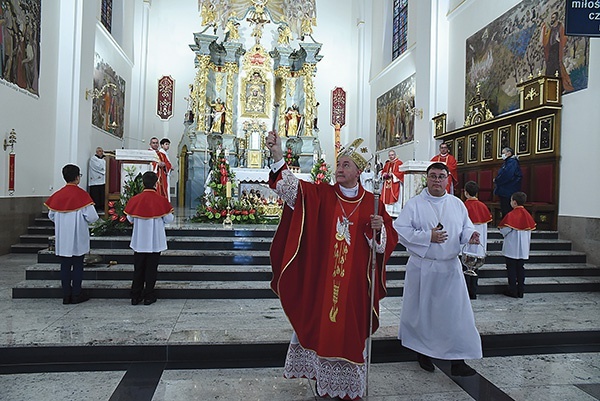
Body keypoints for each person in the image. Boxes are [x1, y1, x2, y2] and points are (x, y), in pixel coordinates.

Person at [266, 131, 397, 400]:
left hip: (355, 286)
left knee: (350, 331)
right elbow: (292, 189)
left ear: (358, 171)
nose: (339, 169)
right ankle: (323, 379)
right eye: (338, 164)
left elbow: (385, 242)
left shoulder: (373, 203)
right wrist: (277, 155)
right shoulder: (322, 195)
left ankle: (348, 384)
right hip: (324, 281)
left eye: (346, 164)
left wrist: (378, 231)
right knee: (322, 327)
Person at [393, 162, 482, 377]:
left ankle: (457, 360)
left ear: (447, 179)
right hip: (423, 267)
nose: (437, 180)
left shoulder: (456, 204)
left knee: (455, 314)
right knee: (424, 313)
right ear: (427, 178)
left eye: (441, 176)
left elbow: (465, 226)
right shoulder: (415, 204)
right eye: (433, 176)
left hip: (450, 267)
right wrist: (427, 236)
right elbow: (400, 230)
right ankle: (423, 353)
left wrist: (469, 235)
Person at [44, 164, 99, 304]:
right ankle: (76, 294)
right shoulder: (82, 195)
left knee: (65, 265)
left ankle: (66, 295)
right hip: (78, 236)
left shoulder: (57, 195)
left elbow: (51, 215)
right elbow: (92, 217)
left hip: (63, 236)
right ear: (77, 178)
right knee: (78, 265)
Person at [124, 171, 175, 306]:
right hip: (154, 241)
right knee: (151, 269)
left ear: (142, 183)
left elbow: (129, 218)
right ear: (156, 183)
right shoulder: (161, 200)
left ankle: (135, 296)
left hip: (139, 240)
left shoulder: (135, 200)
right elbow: (169, 218)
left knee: (138, 268)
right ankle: (148, 296)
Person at [498, 191, 536, 298]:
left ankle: (513, 290)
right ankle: (521, 290)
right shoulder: (527, 215)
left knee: (511, 269)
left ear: (514, 202)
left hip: (512, 247)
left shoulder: (511, 215)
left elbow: (505, 230)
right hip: (523, 247)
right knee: (521, 268)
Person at [463, 180, 492, 300]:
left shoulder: (463, 206)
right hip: (479, 243)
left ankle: (465, 293)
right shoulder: (483, 206)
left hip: (466, 244)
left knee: (465, 269)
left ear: (465, 192)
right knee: (475, 268)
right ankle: (473, 293)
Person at [540, 11, 574, 92]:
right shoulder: (551, 29)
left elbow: (564, 38)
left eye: (553, 17)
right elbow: (545, 41)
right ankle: (549, 88)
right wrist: (543, 29)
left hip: (557, 50)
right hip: (551, 50)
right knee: (549, 68)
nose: (551, 19)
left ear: (556, 18)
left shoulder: (560, 26)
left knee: (557, 67)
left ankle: (560, 88)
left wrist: (559, 40)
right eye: (551, 17)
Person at [494, 147, 522, 218]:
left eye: (503, 153)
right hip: (506, 189)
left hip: (509, 189)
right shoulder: (507, 162)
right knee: (504, 208)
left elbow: (507, 175)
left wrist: (497, 180)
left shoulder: (512, 162)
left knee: (507, 209)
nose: (502, 155)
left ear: (509, 153)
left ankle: (507, 225)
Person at [380, 149, 404, 217]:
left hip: (394, 183)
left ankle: (395, 212)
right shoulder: (387, 164)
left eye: (392, 155)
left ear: (395, 155)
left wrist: (393, 174)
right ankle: (387, 212)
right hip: (387, 183)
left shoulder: (399, 163)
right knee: (386, 197)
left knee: (394, 197)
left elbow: (401, 173)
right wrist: (384, 174)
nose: (391, 156)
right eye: (390, 155)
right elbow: (383, 172)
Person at [88, 147, 106, 211]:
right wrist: (105, 169)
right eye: (100, 151)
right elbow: (98, 167)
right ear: (96, 152)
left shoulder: (104, 159)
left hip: (102, 180)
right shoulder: (93, 159)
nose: (101, 152)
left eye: (102, 151)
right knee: (96, 195)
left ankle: (102, 206)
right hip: (95, 180)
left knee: (102, 195)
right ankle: (96, 208)